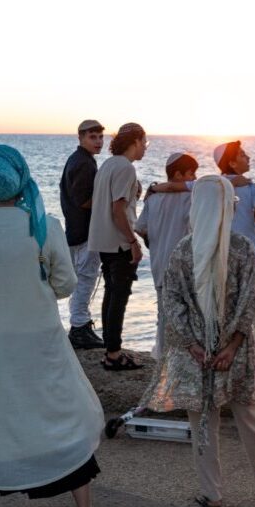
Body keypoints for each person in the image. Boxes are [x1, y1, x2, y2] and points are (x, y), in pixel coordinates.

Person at [140, 175, 255, 507]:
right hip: (236, 353)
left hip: (196, 354)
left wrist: (195, 346)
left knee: (203, 423)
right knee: (252, 418)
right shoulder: (243, 249)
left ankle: (212, 493)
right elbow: (249, 304)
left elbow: (172, 303)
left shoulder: (183, 250)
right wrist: (232, 345)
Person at [0, 145, 107, 507]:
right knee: (62, 415)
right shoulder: (43, 226)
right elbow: (66, 285)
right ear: (22, 178)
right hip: (38, 342)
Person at [214, 141, 255, 385]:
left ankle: (231, 359)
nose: (248, 157)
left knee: (227, 310)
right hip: (251, 254)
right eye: (242, 154)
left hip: (225, 255)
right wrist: (254, 215)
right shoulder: (250, 187)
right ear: (231, 162)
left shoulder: (213, 187)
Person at [88, 122, 147, 371]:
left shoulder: (109, 165)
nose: (145, 147)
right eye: (144, 142)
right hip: (119, 242)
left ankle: (110, 350)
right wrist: (133, 242)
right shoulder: (125, 168)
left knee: (111, 295)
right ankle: (114, 354)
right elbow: (117, 210)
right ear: (135, 142)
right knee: (118, 297)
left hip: (103, 240)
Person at [135, 152, 198, 359]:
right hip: (183, 263)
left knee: (163, 311)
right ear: (179, 175)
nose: (195, 178)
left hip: (159, 261)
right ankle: (182, 355)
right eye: (191, 173)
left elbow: (140, 227)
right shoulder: (190, 197)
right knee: (187, 311)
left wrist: (153, 241)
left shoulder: (153, 198)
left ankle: (163, 354)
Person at [59, 119, 106, 349]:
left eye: (100, 137)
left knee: (81, 279)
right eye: (92, 137)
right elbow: (83, 200)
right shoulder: (84, 163)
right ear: (80, 138)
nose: (98, 141)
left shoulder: (79, 160)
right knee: (86, 279)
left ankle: (80, 324)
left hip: (75, 228)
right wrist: (108, 200)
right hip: (85, 230)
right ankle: (79, 328)